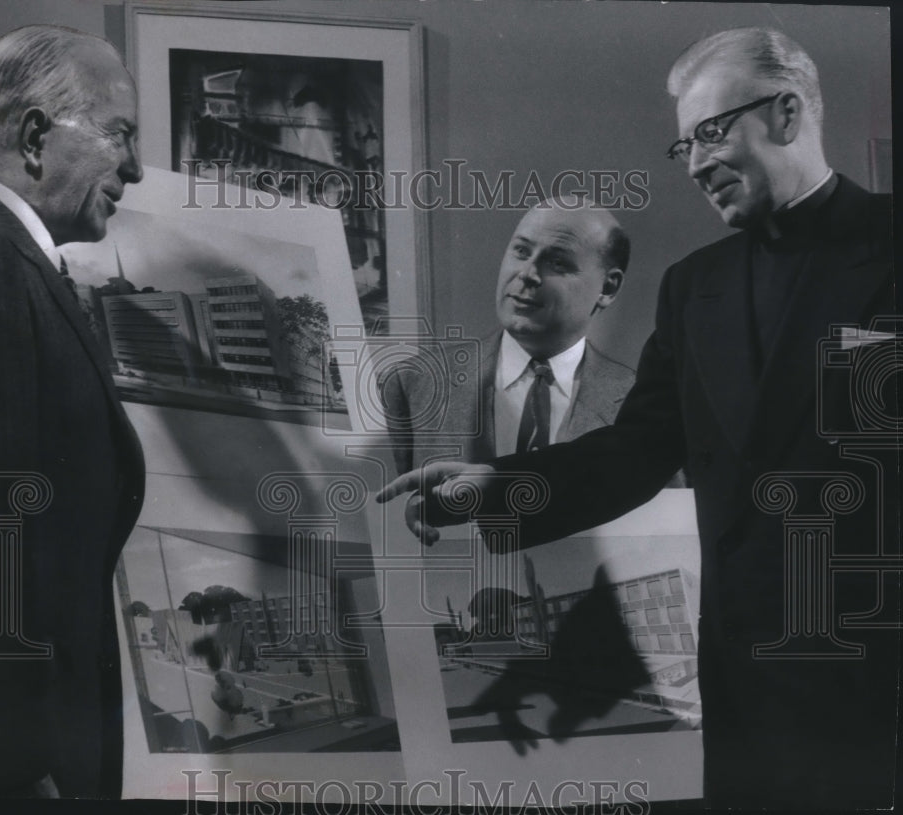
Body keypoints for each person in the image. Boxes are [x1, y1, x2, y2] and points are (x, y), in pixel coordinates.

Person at [379, 27, 897, 809]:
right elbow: (638, 449)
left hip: (880, 683)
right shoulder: (696, 287)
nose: (694, 164)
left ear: (788, 113)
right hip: (746, 685)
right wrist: (494, 485)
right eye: (683, 146)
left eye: (713, 133)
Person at [0, 25, 145, 798]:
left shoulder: (6, 253)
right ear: (37, 137)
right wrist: (13, 768)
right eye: (120, 135)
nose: (136, 169)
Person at [379, 198, 636, 476]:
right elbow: (393, 510)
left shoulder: (642, 405)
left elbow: (672, 512)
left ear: (608, 288)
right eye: (522, 251)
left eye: (558, 262)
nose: (527, 274)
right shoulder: (413, 384)